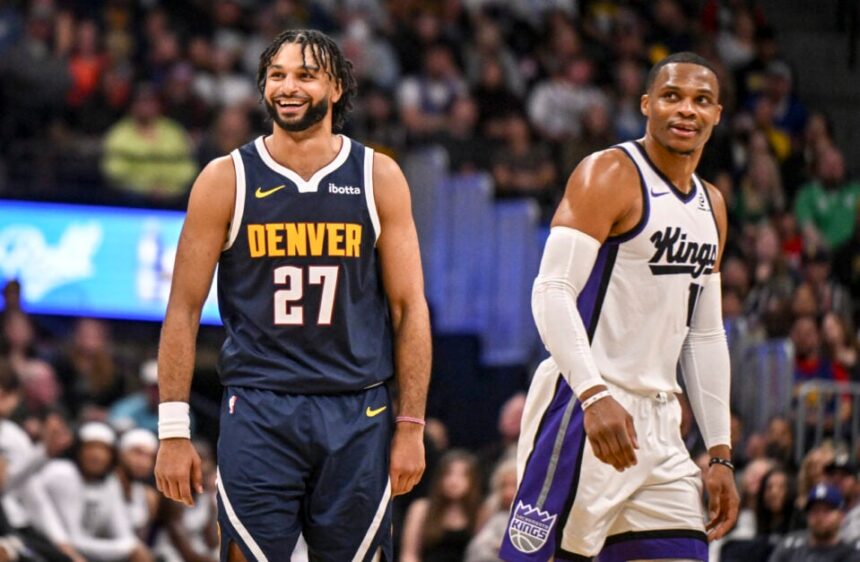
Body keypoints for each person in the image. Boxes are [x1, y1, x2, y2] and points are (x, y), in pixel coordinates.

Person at [153, 29, 431, 562]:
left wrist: (411, 425)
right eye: (277, 75)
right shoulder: (224, 179)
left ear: (337, 90)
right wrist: (172, 430)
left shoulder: (378, 176)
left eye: (305, 75)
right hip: (259, 406)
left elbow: (409, 309)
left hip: (358, 408)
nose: (288, 86)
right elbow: (184, 311)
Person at [499, 51, 740, 561]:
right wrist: (592, 395)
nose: (686, 111)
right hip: (584, 406)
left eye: (701, 101)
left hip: (660, 424)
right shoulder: (609, 173)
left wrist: (720, 453)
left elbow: (705, 334)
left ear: (717, 115)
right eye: (672, 96)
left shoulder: (712, 205)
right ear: (647, 104)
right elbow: (552, 290)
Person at [768, 483, 860, 561]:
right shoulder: (789, 547)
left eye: (827, 511)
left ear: (841, 516)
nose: (820, 516)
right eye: (815, 510)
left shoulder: (851, 556)